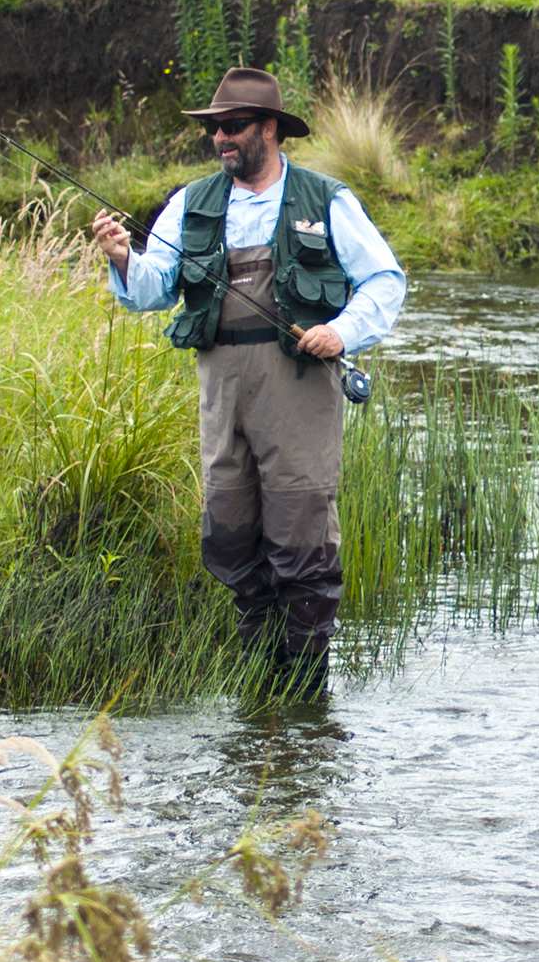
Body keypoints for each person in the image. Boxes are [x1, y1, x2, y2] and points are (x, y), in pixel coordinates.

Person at [89, 67, 406, 696]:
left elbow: (385, 282)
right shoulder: (192, 203)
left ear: (270, 130)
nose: (220, 139)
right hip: (222, 388)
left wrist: (342, 331)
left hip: (299, 384)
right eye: (214, 129)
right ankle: (262, 677)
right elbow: (153, 290)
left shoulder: (327, 201)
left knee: (301, 533)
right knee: (230, 530)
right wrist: (124, 257)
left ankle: (305, 687)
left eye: (233, 127)